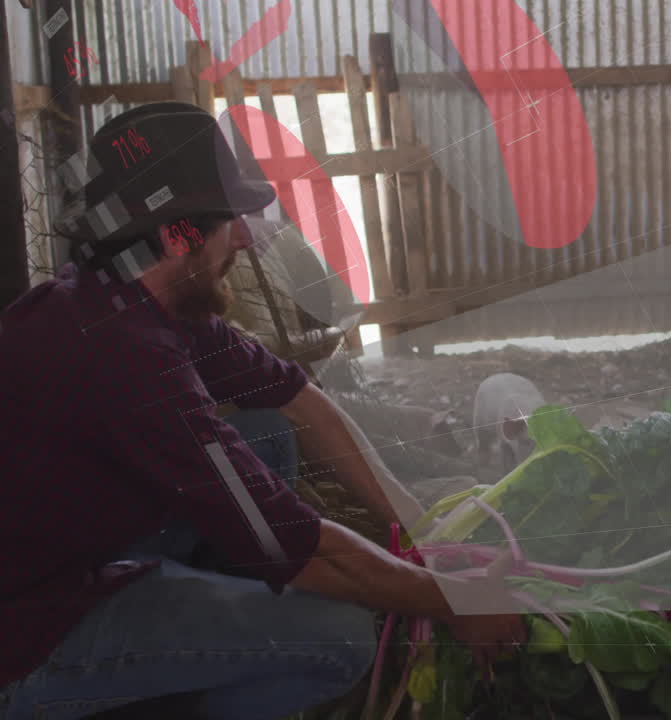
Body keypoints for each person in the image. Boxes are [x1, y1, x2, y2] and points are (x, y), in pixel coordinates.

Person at [0, 102, 525, 719]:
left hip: (59, 557)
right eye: (230, 221)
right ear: (179, 236)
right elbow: (297, 548)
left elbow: (298, 399)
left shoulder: (127, 296)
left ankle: (201, 627)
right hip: (30, 634)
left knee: (266, 432)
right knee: (339, 639)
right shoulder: (130, 355)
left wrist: (418, 525)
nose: (246, 237)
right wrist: (454, 600)